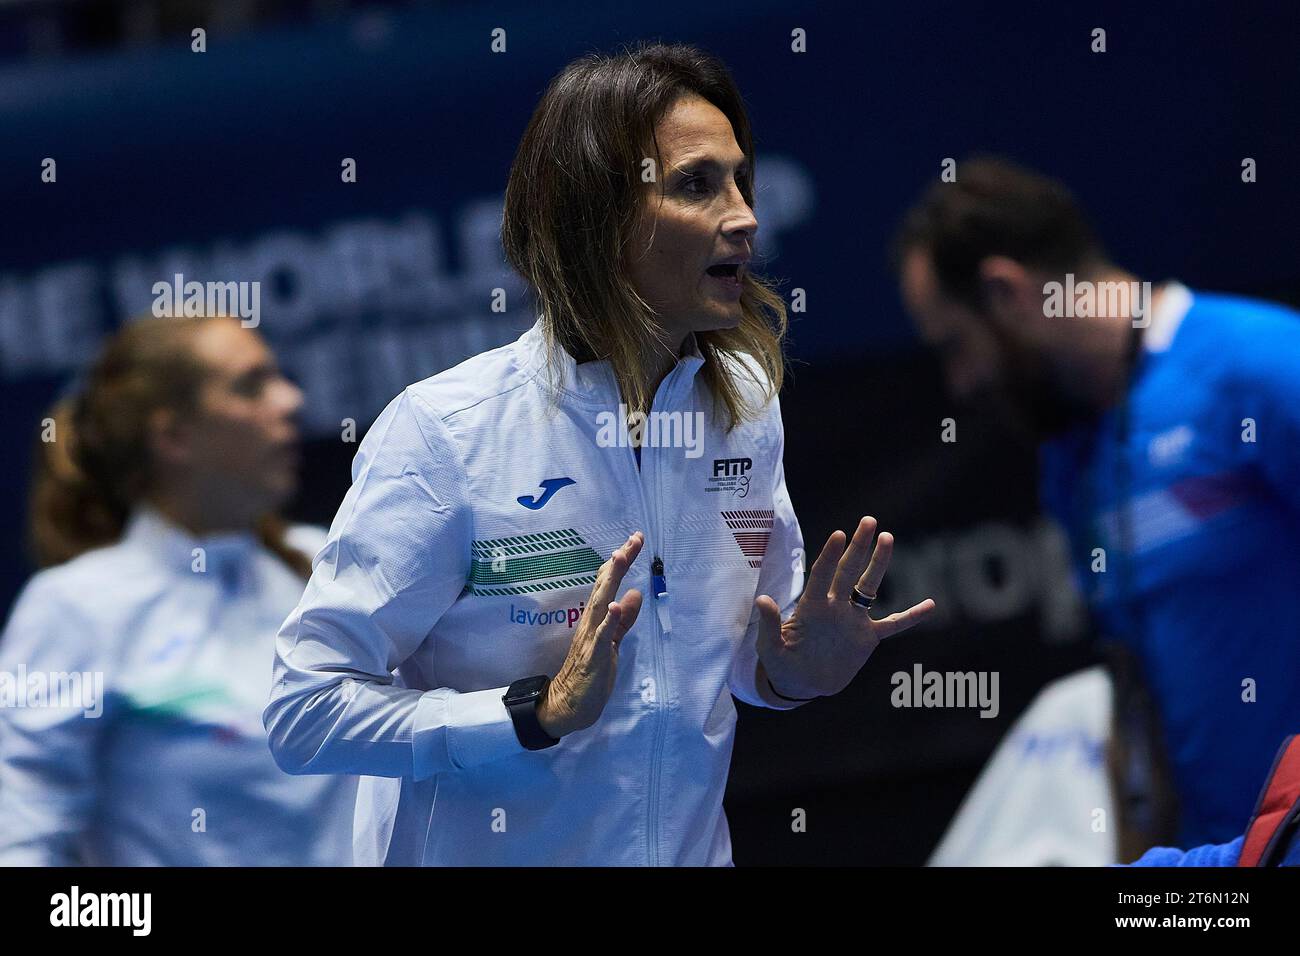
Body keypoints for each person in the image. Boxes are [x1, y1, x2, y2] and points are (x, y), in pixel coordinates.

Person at [263, 42, 935, 866]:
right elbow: (304, 709)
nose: (745, 215)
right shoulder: (446, 433)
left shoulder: (746, 407)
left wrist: (798, 673)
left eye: (740, 179)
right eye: (696, 184)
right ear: (597, 216)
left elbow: (738, 665)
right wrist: (529, 713)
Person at [893, 156, 1300, 848]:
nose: (960, 384)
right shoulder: (1070, 457)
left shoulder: (1264, 365)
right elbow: (1136, 699)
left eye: (957, 345)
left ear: (1006, 291)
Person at [0, 314, 356, 866]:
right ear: (172, 437)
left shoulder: (326, 562)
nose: (290, 400)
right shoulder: (73, 608)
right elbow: (17, 838)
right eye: (250, 385)